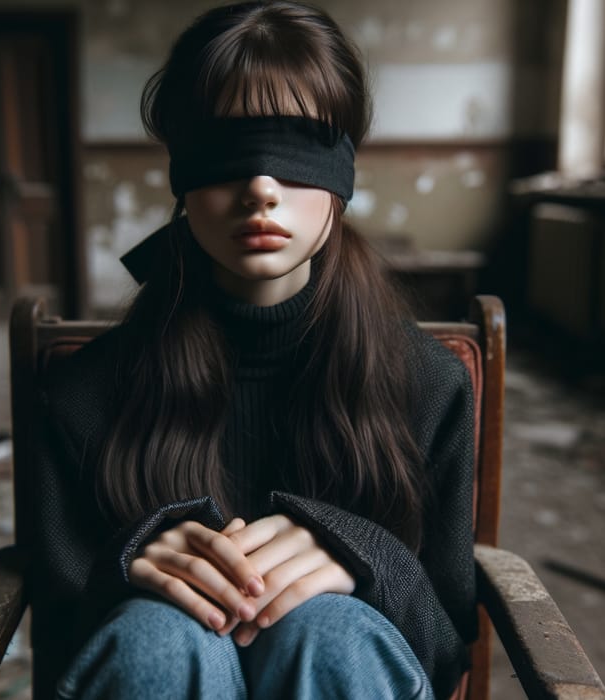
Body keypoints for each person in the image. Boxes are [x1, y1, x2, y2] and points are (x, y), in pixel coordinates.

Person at [31, 2, 477, 698]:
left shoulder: (428, 385)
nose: (261, 188)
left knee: (332, 632)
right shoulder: (81, 397)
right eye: (225, 150)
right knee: (155, 641)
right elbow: (61, 642)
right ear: (181, 172)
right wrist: (128, 567)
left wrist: (368, 562)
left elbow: (450, 643)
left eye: (299, 144)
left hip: (347, 670)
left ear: (344, 172)